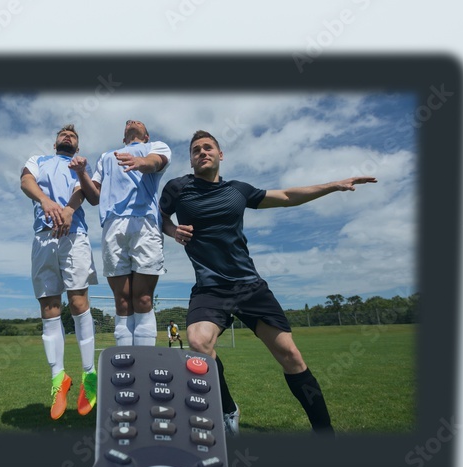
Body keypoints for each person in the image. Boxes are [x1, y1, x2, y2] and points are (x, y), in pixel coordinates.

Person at [160, 130, 377, 436]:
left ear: (220, 155)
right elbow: (158, 215)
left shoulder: (239, 190)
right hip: (209, 289)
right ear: (191, 159)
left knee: (290, 355)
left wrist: (334, 185)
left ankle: (325, 433)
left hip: (249, 286)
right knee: (198, 343)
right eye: (196, 150)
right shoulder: (178, 187)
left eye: (208, 148)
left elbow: (287, 197)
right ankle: (226, 410)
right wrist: (172, 231)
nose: (202, 152)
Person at [20, 124, 99, 420]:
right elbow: (25, 181)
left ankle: (89, 376)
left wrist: (67, 209)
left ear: (76, 147)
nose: (67, 138)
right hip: (43, 236)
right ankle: (59, 379)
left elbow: (86, 194)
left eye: (73, 136)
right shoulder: (38, 161)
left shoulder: (80, 164)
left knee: (79, 302)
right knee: (50, 307)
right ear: (55, 144)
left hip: (74, 236)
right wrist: (45, 200)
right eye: (63, 135)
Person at [75, 120, 172, 347]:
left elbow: (155, 163)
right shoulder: (107, 156)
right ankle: (126, 365)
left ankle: (145, 361)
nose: (132, 121)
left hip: (145, 223)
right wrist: (81, 173)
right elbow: (94, 196)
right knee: (122, 301)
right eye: (128, 122)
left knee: (143, 298)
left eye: (139, 122)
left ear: (146, 136)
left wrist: (141, 162)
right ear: (123, 137)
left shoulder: (155, 147)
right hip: (112, 224)